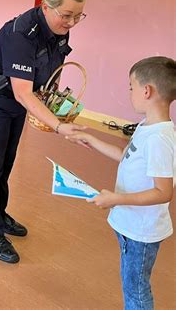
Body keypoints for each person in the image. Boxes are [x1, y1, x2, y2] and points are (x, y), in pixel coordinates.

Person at [0, 0, 87, 263]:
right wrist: (59, 126)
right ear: (46, 6)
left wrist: (53, 101)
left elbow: (47, 73)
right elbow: (23, 92)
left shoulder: (59, 29)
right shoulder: (22, 33)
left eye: (78, 16)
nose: (71, 22)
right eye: (66, 15)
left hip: (18, 102)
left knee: (5, 161)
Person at [68, 56, 175, 310]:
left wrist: (116, 199)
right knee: (132, 283)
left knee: (136, 290)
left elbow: (163, 192)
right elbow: (127, 156)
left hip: (141, 232)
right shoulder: (147, 126)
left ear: (146, 91)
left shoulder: (160, 139)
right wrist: (91, 140)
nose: (130, 92)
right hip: (130, 225)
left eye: (131, 87)